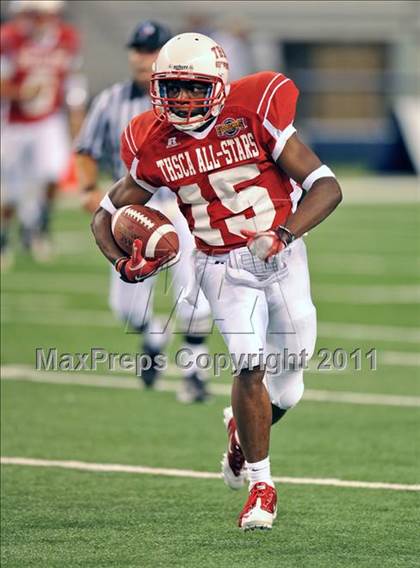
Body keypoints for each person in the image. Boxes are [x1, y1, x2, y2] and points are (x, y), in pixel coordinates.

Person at [91, 33, 342, 530]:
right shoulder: (151, 139)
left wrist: (282, 233)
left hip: (282, 255)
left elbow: (326, 187)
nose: (182, 98)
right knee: (249, 366)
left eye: (193, 86)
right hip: (219, 266)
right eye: (173, 86)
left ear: (219, 86)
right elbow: (105, 214)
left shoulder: (253, 110)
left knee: (289, 383)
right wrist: (124, 262)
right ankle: (262, 485)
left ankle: (240, 439)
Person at [76, 21, 211, 402]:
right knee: (127, 307)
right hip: (131, 210)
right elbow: (85, 148)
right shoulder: (111, 100)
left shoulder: (192, 99)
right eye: (137, 48)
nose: (142, 57)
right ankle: (153, 337)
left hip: (183, 206)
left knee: (195, 295)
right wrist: (89, 188)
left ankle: (194, 373)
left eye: (151, 50)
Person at [0, 0, 86, 266]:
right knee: (10, 190)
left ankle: (39, 225)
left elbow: (73, 80)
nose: (37, 21)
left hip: (48, 120)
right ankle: (5, 238)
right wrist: (20, 92)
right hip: (14, 121)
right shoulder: (10, 39)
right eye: (33, 15)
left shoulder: (67, 38)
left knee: (52, 173)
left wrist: (76, 116)